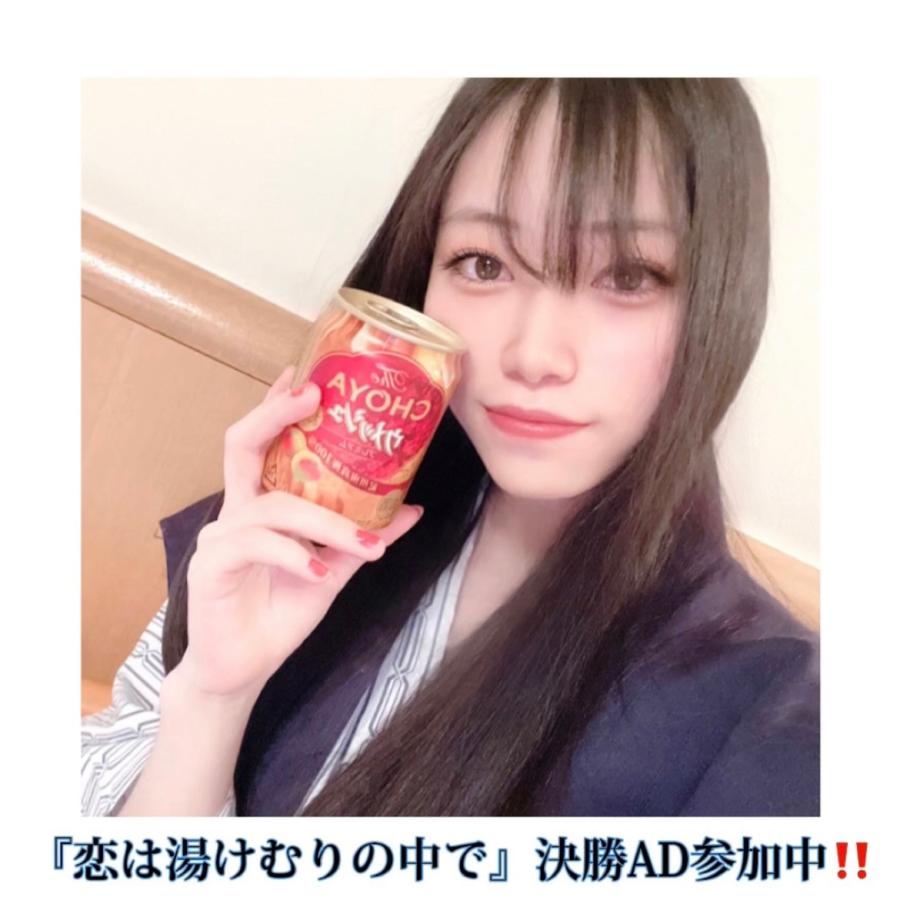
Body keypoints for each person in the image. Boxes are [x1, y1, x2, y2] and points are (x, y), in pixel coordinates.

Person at [81, 78, 819, 817]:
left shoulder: (771, 719)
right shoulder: (312, 520)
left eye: (628, 276)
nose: (533, 355)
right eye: (484, 264)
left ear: (722, 300)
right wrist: (213, 698)